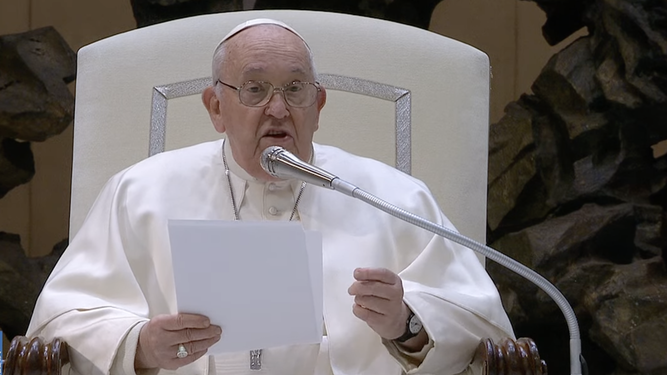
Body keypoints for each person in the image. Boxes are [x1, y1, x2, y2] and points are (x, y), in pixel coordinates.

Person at [27, 18, 514, 375]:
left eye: (295, 90)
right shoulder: (139, 193)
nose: (277, 109)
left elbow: (483, 327)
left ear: (318, 106)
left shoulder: (391, 198)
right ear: (216, 107)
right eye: (255, 90)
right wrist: (139, 346)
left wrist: (407, 326)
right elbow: (61, 322)